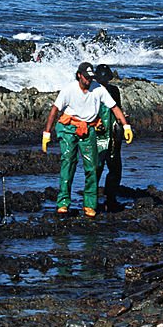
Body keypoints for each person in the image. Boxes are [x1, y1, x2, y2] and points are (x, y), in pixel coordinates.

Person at [43, 62, 133, 218]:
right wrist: (46, 133)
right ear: (79, 75)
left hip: (89, 129)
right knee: (68, 163)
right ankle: (63, 203)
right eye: (86, 77)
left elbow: (114, 108)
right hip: (69, 128)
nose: (88, 81)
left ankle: (90, 205)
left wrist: (126, 126)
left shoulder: (99, 89)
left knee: (92, 167)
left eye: (91, 78)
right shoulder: (69, 90)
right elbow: (54, 110)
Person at [94, 64, 125, 212]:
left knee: (115, 168)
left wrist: (123, 124)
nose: (104, 83)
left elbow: (117, 110)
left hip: (113, 135)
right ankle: (91, 199)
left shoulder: (114, 91)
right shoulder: (91, 92)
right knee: (96, 167)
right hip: (96, 136)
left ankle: (110, 199)